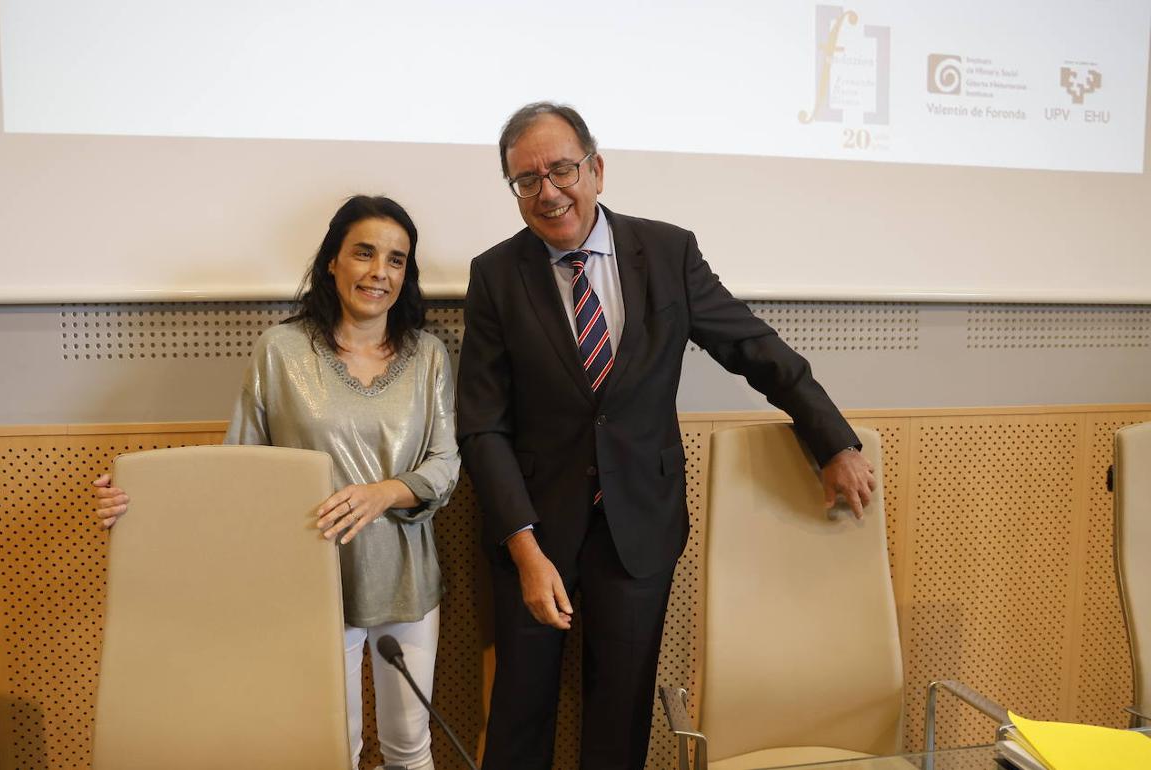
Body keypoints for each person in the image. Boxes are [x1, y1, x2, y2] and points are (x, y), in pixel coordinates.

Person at [456, 103, 877, 770]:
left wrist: (832, 440)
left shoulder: (668, 251)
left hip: (639, 526)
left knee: (620, 718)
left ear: (595, 169)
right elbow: (482, 426)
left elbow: (751, 346)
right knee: (519, 713)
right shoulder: (496, 275)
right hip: (533, 530)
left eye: (561, 169)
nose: (548, 191)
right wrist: (524, 547)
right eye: (525, 180)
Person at [94, 195, 460, 770]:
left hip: (405, 579)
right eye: (363, 253)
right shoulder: (280, 351)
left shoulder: (430, 355)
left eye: (396, 260)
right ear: (332, 261)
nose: (379, 272)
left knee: (409, 749)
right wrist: (140, 505)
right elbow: (236, 473)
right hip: (309, 580)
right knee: (330, 750)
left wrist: (384, 492)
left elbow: (445, 463)